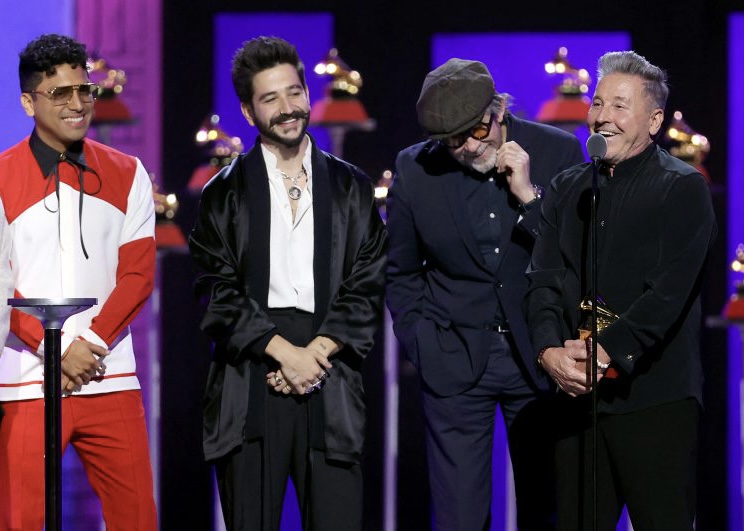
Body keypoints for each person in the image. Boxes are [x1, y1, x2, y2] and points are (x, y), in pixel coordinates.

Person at [189, 36, 387, 531]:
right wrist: (282, 352)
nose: (287, 108)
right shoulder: (224, 193)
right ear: (247, 109)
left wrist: (313, 354)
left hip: (330, 368)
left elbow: (368, 279)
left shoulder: (350, 186)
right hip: (252, 377)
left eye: (294, 92)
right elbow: (215, 289)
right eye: (270, 98)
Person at [386, 58, 584, 530]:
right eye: (453, 139)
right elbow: (401, 271)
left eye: (477, 130)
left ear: (499, 110)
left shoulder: (557, 151)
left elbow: (580, 259)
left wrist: (530, 196)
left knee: (548, 509)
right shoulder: (415, 168)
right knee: (459, 518)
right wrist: (422, 343)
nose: (469, 147)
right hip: (453, 358)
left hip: (539, 357)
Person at [527, 50, 716, 531]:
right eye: (598, 103)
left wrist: (604, 351)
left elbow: (667, 295)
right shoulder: (568, 187)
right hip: (576, 399)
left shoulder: (682, 188)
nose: (602, 117)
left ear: (654, 120)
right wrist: (550, 351)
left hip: (655, 400)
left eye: (619, 105)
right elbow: (544, 280)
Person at [0, 34, 158, 529]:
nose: (77, 104)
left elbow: (137, 275)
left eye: (84, 91)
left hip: (107, 373)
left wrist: (86, 346)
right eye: (60, 94)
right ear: (28, 102)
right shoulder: (1, 177)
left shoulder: (128, 172)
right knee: (22, 520)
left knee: (137, 518)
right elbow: (2, 288)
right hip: (26, 380)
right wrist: (55, 350)